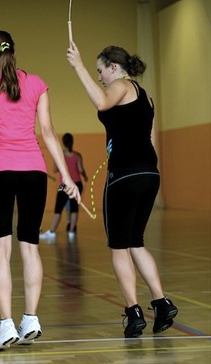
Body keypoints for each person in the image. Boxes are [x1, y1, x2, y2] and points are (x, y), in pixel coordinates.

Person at [0, 31, 80, 351]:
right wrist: (65, 176)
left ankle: (6, 326)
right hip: (34, 172)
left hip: (0, 172)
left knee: (0, 252)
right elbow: (47, 132)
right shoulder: (37, 83)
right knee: (29, 247)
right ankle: (30, 318)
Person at [66, 42, 178, 338]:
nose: (100, 76)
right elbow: (150, 140)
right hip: (148, 174)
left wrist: (78, 66)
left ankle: (133, 311)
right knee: (136, 243)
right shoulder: (146, 98)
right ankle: (162, 303)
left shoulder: (122, 85)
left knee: (118, 246)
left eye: (100, 70)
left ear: (114, 67)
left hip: (124, 176)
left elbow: (102, 103)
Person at [41, 133, 88, 242]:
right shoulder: (77, 155)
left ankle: (52, 231)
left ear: (63, 142)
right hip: (77, 184)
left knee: (58, 208)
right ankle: (71, 231)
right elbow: (81, 170)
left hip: (64, 185)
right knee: (74, 208)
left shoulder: (60, 154)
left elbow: (54, 169)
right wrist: (85, 177)